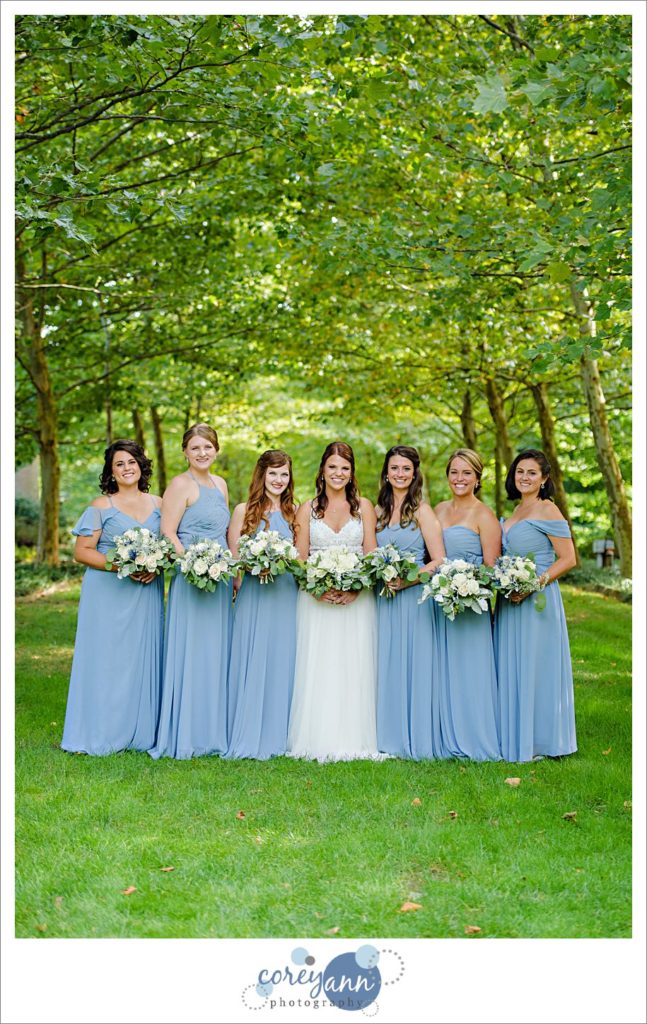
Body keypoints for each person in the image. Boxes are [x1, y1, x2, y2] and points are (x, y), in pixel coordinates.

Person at [61, 440, 164, 755]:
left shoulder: (160, 504)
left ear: (141, 466)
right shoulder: (101, 506)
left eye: (131, 461)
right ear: (111, 472)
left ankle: (141, 731)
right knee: (107, 660)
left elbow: (169, 544)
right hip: (107, 594)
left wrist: (156, 567)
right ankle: (101, 729)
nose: (126, 468)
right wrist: (122, 565)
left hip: (146, 592)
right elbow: (82, 551)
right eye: (119, 464)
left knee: (140, 659)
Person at [286, 441, 381, 762]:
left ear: (352, 473)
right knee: (320, 665)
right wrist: (315, 587)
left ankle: (355, 737)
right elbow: (299, 558)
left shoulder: (364, 507)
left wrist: (357, 587)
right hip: (316, 600)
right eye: (333, 467)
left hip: (357, 600)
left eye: (345, 467)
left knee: (354, 665)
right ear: (322, 471)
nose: (338, 473)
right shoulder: (306, 509)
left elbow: (371, 554)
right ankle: (316, 737)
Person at [149, 423, 231, 760]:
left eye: (208, 447)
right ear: (185, 451)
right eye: (195, 447)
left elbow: (225, 533)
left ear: (216, 450)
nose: (202, 453)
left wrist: (224, 566)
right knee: (191, 652)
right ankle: (185, 733)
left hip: (220, 580)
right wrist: (194, 564)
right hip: (191, 577)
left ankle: (212, 731)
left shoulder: (221, 484)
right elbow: (168, 532)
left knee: (215, 653)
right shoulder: (179, 485)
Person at [494, 449, 577, 762]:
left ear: (544, 480)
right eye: (519, 472)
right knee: (513, 663)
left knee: (537, 665)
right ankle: (515, 734)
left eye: (531, 473)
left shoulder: (548, 510)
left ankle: (542, 740)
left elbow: (569, 558)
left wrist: (533, 585)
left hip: (538, 600)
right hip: (509, 600)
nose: (524, 477)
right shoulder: (514, 511)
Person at [225, 450, 298, 759]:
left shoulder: (296, 512)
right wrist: (255, 565)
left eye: (284, 474)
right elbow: (234, 556)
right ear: (262, 475)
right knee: (251, 655)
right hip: (254, 594)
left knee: (284, 658)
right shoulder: (244, 510)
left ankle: (281, 731)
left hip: (284, 594)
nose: (278, 480)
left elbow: (301, 555)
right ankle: (246, 726)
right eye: (273, 474)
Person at [374, 445, 445, 759]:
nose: (399, 474)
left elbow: (439, 560)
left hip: (412, 599)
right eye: (394, 468)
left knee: (412, 665)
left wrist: (408, 579)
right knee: (385, 665)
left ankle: (413, 735)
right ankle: (385, 736)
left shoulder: (422, 511)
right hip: (382, 600)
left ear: (415, 474)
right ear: (386, 473)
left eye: (405, 468)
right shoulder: (377, 512)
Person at [434, 448, 501, 761]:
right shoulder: (438, 510)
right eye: (454, 472)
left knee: (470, 672)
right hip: (440, 602)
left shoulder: (484, 515)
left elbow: (491, 568)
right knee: (442, 670)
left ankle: (475, 738)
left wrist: (468, 588)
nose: (459, 479)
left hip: (471, 606)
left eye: (466, 473)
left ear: (477, 478)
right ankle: (443, 736)